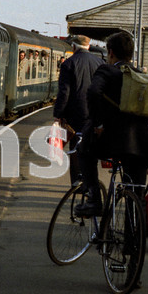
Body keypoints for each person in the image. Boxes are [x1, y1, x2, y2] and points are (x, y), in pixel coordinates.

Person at [75, 32, 148, 216]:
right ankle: (133, 241)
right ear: (130, 54)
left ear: (110, 52)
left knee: (83, 151)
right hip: (142, 145)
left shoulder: (107, 70)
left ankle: (94, 199)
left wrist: (98, 123)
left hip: (111, 142)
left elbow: (94, 92)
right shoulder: (141, 75)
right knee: (135, 195)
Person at [54, 35, 103, 185]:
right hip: (94, 115)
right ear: (89, 47)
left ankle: (76, 182)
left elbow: (64, 92)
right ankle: (91, 183)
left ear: (73, 47)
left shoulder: (69, 64)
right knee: (91, 149)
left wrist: (58, 115)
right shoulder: (100, 63)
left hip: (75, 116)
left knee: (75, 148)